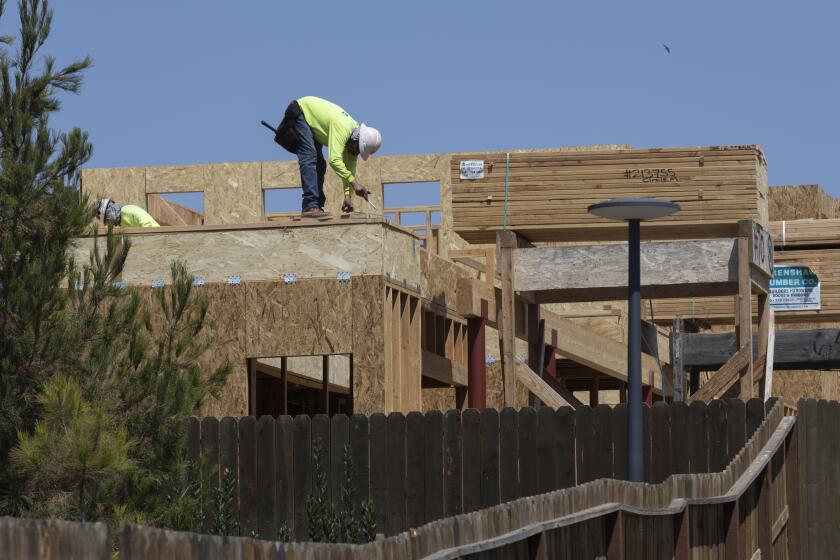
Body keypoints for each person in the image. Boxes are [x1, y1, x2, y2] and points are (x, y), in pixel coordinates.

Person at [271, 96, 381, 218]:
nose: (356, 154)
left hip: (311, 122)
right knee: (309, 155)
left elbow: (349, 171)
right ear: (356, 141)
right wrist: (355, 184)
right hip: (301, 112)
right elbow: (334, 160)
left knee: (320, 165)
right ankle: (310, 206)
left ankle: (316, 206)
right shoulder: (343, 128)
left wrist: (347, 196)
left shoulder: (352, 142)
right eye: (358, 150)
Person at [95, 198, 160, 227]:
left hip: (158, 236)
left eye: (107, 219)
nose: (109, 224)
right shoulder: (122, 222)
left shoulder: (126, 211)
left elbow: (145, 222)